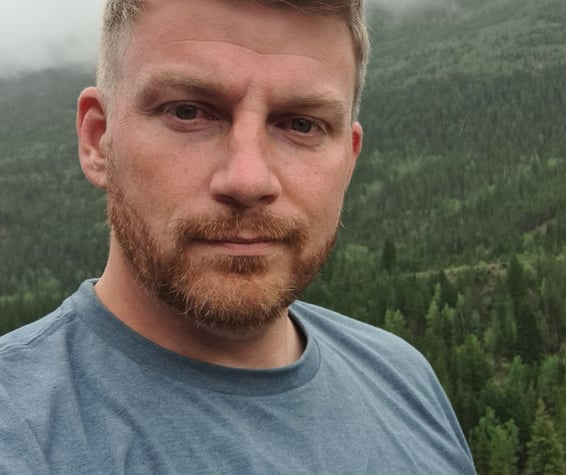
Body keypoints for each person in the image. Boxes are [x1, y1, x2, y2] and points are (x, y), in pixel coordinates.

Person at [0, 0, 476, 473]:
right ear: (97, 140)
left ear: (348, 161)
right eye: (188, 111)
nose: (248, 180)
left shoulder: (404, 380)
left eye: (302, 124)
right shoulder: (20, 427)